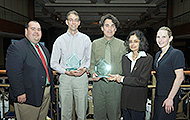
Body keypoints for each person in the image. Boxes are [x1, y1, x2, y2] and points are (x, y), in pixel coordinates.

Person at [6, 20, 55, 120]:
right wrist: (19, 92)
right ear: (26, 31)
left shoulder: (43, 49)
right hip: (28, 96)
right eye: (33, 29)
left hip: (44, 93)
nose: (36, 32)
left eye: (39, 29)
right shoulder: (17, 48)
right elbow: (13, 72)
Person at [50, 10, 91, 120]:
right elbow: (53, 63)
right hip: (65, 78)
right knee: (65, 112)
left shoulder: (86, 39)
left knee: (82, 112)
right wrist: (66, 71)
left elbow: (88, 60)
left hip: (81, 78)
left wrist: (85, 69)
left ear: (79, 23)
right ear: (67, 22)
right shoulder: (59, 40)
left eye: (76, 20)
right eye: (71, 20)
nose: (73, 22)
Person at [107, 30, 153, 120]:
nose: (132, 44)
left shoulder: (147, 58)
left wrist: (122, 79)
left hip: (138, 101)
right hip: (125, 102)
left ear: (141, 42)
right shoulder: (125, 57)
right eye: (130, 41)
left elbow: (143, 81)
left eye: (136, 41)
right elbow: (124, 76)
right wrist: (116, 77)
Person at [89, 13, 127, 120]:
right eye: (107, 25)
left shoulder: (123, 45)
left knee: (114, 116)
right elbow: (91, 64)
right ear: (102, 28)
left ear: (115, 29)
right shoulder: (95, 44)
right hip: (99, 85)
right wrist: (92, 72)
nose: (109, 28)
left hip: (115, 86)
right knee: (98, 116)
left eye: (112, 26)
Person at [153, 26, 185, 120]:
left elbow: (180, 77)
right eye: (158, 37)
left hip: (169, 96)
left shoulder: (176, 54)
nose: (160, 40)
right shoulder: (158, 54)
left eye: (164, 37)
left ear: (170, 38)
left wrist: (170, 98)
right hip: (159, 96)